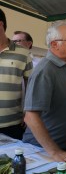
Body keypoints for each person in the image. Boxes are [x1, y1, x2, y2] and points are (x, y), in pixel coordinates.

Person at [22, 20, 66, 162]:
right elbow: (30, 117)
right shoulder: (45, 71)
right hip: (42, 149)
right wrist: (54, 152)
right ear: (55, 44)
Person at [0, 8, 33, 140]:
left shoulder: (23, 53)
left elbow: (32, 85)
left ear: (0, 24)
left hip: (12, 124)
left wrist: (29, 112)